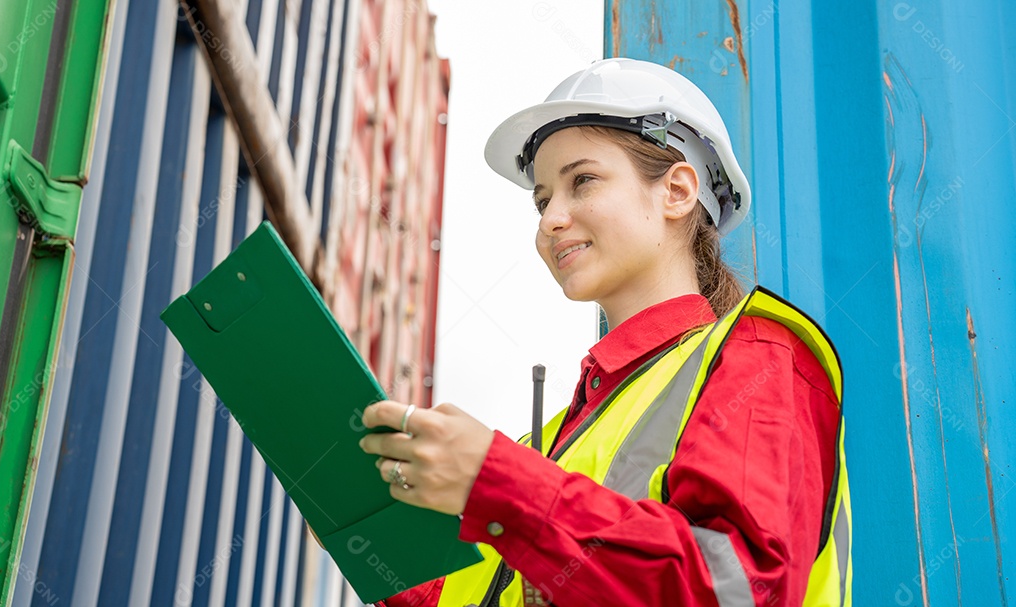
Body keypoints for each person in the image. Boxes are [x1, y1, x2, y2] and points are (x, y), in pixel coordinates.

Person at [357, 58, 851, 607]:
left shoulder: (758, 357)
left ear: (678, 190)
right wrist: (364, 526)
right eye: (543, 200)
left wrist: (499, 485)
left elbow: (739, 589)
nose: (549, 219)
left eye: (582, 181)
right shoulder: (543, 448)